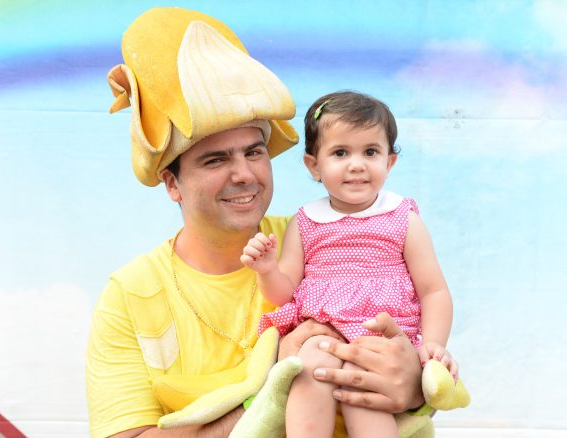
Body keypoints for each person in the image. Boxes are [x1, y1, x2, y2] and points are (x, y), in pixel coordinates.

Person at [86, 8, 426, 438]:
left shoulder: (323, 236)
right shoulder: (130, 294)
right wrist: (271, 388)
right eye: (215, 160)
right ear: (172, 184)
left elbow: (415, 357)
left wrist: (413, 384)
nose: (244, 174)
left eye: (253, 152)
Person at [240, 90, 456, 437]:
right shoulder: (306, 221)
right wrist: (268, 270)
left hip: (380, 336)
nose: (357, 164)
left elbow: (434, 291)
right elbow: (285, 294)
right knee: (310, 368)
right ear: (314, 165)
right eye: (340, 153)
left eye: (370, 152)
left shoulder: (402, 218)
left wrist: (433, 343)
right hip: (322, 330)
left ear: (389, 162)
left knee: (363, 389)